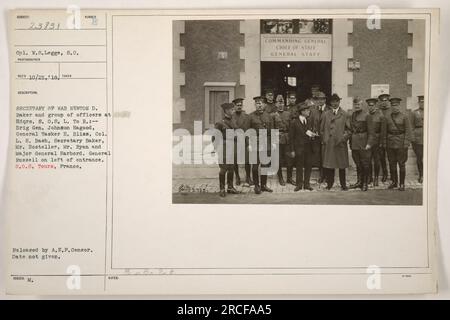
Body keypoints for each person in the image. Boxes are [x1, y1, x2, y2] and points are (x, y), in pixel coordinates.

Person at [320, 93, 351, 190]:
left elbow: (349, 130)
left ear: (339, 102)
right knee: (330, 165)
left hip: (340, 143)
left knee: (342, 165)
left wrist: (343, 138)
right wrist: (324, 140)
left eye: (336, 101)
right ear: (330, 103)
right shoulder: (326, 114)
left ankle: (343, 184)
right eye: (333, 102)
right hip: (329, 143)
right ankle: (330, 184)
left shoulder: (344, 114)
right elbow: (321, 129)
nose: (334, 103)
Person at [384, 98, 413, 191]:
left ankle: (402, 183)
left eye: (396, 105)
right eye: (393, 105)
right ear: (391, 106)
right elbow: (384, 132)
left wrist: (406, 143)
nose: (395, 107)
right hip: (390, 143)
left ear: (399, 106)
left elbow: (408, 131)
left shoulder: (404, 117)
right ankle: (394, 182)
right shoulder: (387, 117)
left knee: (401, 164)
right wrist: (385, 143)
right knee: (392, 163)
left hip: (401, 143)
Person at [348, 97, 375, 191]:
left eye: (358, 104)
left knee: (365, 164)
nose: (357, 106)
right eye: (355, 105)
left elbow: (371, 132)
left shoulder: (367, 116)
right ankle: (359, 182)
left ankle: (365, 183)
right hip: (355, 142)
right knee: (358, 164)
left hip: (364, 143)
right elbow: (351, 129)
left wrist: (369, 144)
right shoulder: (352, 115)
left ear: (362, 105)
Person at [213, 102, 240, 197]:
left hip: (233, 148)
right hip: (223, 149)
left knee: (231, 168)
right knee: (223, 169)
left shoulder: (234, 121)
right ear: (227, 110)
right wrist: (216, 149)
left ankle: (230, 187)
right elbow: (215, 137)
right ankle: (221, 188)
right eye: (232, 109)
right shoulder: (220, 123)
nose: (233, 111)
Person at [249, 96, 274, 194]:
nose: (259, 105)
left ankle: (263, 185)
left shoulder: (269, 116)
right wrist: (249, 144)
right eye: (257, 103)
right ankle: (256, 185)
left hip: (266, 143)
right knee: (255, 166)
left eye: (261, 103)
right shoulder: (250, 116)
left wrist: (273, 143)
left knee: (265, 165)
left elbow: (272, 130)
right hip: (255, 143)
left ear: (264, 105)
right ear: (255, 105)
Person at [289, 102, 315, 191]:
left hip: (308, 148)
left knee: (308, 166)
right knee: (299, 166)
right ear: (302, 111)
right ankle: (299, 184)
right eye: (307, 110)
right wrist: (292, 150)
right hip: (299, 149)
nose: (309, 111)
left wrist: (313, 135)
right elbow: (291, 137)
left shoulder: (309, 120)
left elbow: (309, 131)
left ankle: (307, 184)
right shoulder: (294, 122)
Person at [271, 94, 293, 186]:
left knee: (289, 159)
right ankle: (280, 178)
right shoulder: (272, 115)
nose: (280, 105)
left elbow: (291, 127)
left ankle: (289, 178)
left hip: (287, 138)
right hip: (277, 138)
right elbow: (272, 129)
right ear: (275, 104)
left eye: (282, 102)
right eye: (278, 103)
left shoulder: (288, 114)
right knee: (278, 160)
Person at [310, 91, 330, 183]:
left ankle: (327, 175)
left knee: (327, 156)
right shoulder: (313, 110)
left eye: (322, 99)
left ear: (325, 100)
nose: (320, 101)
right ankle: (321, 175)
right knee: (318, 156)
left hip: (326, 138)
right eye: (318, 99)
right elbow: (311, 123)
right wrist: (312, 133)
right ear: (316, 100)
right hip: (317, 138)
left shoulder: (329, 110)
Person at [232, 97, 252, 186]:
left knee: (247, 160)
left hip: (245, 141)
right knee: (235, 160)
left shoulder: (247, 117)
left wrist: (249, 143)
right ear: (234, 106)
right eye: (237, 105)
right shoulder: (231, 117)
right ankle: (237, 177)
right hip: (235, 141)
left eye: (241, 105)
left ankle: (248, 177)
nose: (239, 107)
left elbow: (249, 130)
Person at [366, 98, 386, 187]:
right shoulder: (366, 115)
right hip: (368, 141)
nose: (371, 107)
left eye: (372, 105)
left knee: (377, 160)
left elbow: (383, 130)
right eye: (369, 105)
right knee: (368, 160)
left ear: (375, 105)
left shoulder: (380, 115)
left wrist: (381, 142)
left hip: (377, 141)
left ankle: (376, 178)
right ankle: (369, 177)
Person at [377, 93, 391, 182]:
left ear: (388, 101)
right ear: (380, 102)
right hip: (380, 138)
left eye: (386, 100)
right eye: (382, 101)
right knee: (381, 157)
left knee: (391, 157)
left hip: (390, 138)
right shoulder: (378, 111)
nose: (384, 102)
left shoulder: (391, 111)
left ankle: (392, 175)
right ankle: (385, 174)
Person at [411, 95, 424, 183]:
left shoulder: (432, 111)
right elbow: (411, 126)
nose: (422, 103)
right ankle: (421, 175)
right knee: (419, 157)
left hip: (429, 137)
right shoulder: (414, 113)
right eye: (421, 102)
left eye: (423, 102)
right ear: (418, 103)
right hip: (418, 138)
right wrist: (413, 138)